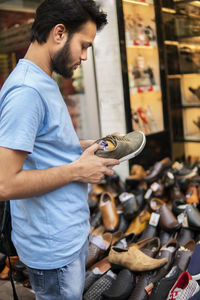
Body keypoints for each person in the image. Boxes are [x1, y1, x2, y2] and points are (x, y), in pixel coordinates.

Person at [0, 1, 120, 299]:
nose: (84, 56)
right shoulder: (27, 92)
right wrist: (78, 170)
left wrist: (89, 146)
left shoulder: (43, 80)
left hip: (64, 234)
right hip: (53, 247)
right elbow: (5, 183)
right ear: (59, 33)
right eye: (84, 45)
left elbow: (43, 147)